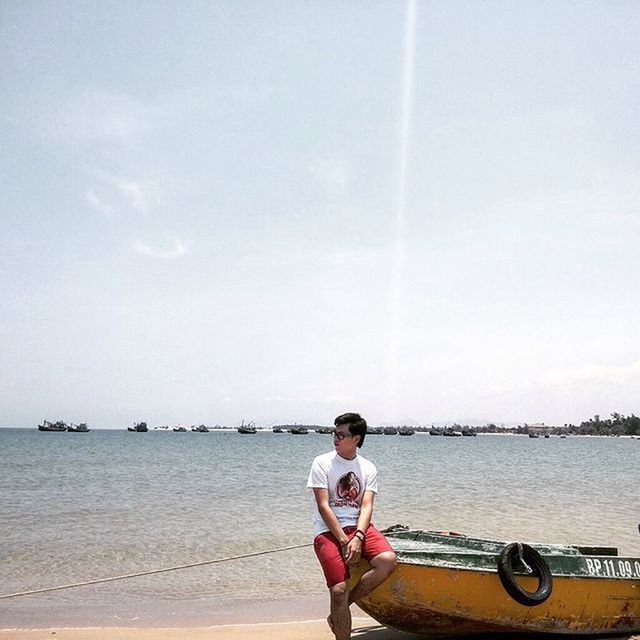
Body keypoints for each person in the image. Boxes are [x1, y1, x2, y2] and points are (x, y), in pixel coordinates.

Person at [307, 412, 397, 640]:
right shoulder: (322, 462)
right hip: (328, 530)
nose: (335, 438)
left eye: (341, 434)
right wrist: (344, 540)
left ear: (355, 439)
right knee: (338, 590)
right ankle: (341, 615)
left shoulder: (368, 468)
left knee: (387, 561)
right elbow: (323, 506)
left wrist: (358, 536)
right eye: (334, 433)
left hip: (357, 527)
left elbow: (366, 506)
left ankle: (342, 608)